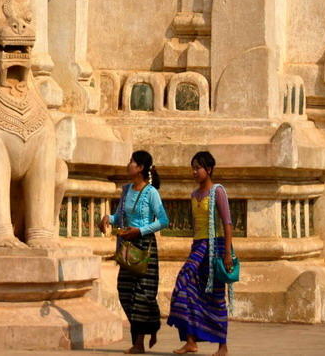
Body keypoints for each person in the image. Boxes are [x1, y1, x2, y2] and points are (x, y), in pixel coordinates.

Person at [99, 150, 169, 354]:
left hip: (145, 247)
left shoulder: (151, 192)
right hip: (128, 248)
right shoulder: (127, 190)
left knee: (143, 295)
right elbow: (120, 215)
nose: (128, 164)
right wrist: (108, 219)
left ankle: (138, 342)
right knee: (125, 292)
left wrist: (140, 230)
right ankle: (151, 325)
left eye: (132, 162)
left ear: (140, 168)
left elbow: (163, 221)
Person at [167, 151, 233, 356]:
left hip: (215, 247)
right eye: (193, 168)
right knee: (185, 286)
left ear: (209, 169)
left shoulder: (218, 192)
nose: (194, 171)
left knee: (215, 296)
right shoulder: (194, 195)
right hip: (198, 247)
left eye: (198, 167)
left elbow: (227, 223)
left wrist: (228, 254)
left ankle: (222, 345)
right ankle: (190, 340)